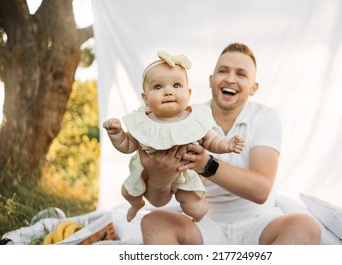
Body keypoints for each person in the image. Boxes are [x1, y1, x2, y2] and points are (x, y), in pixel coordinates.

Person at [139, 43, 322, 245]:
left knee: (306, 226)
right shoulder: (187, 118)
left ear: (254, 88)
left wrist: (205, 164)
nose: (230, 79)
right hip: (204, 223)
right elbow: (158, 200)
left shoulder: (265, 117)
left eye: (241, 74)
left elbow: (261, 190)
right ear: (211, 80)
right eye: (223, 71)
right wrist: (159, 176)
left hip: (260, 222)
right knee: (153, 222)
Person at [103, 51, 245, 222]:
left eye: (176, 85)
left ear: (189, 93)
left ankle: (198, 219)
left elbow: (213, 140)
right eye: (158, 87)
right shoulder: (143, 122)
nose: (168, 92)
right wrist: (116, 133)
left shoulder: (194, 120)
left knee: (196, 208)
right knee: (127, 191)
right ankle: (136, 204)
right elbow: (127, 146)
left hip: (184, 172)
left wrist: (227, 144)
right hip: (148, 174)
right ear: (145, 98)